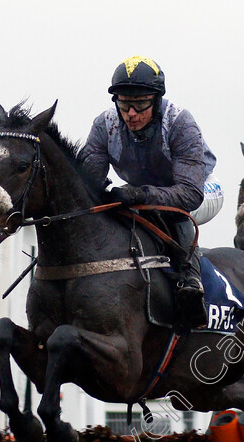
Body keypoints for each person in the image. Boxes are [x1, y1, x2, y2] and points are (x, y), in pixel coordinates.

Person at [79, 56, 221, 327]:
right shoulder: (104, 125)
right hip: (144, 193)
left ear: (156, 100)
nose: (131, 113)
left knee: (171, 213)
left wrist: (140, 194)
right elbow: (89, 183)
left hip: (200, 190)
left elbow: (189, 194)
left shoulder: (179, 122)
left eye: (140, 103)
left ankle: (190, 282)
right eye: (123, 102)